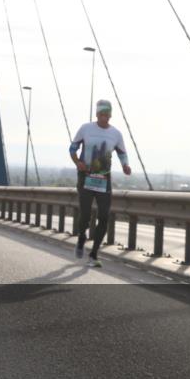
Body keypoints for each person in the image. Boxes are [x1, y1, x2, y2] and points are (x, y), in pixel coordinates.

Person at [70, 99, 132, 267]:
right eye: (102, 114)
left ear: (110, 115)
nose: (104, 118)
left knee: (104, 216)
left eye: (107, 115)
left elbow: (122, 154)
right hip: (86, 176)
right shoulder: (86, 129)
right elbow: (72, 148)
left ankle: (94, 254)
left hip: (104, 179)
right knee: (85, 214)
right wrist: (78, 163)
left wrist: (125, 165)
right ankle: (82, 236)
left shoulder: (116, 134)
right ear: (97, 114)